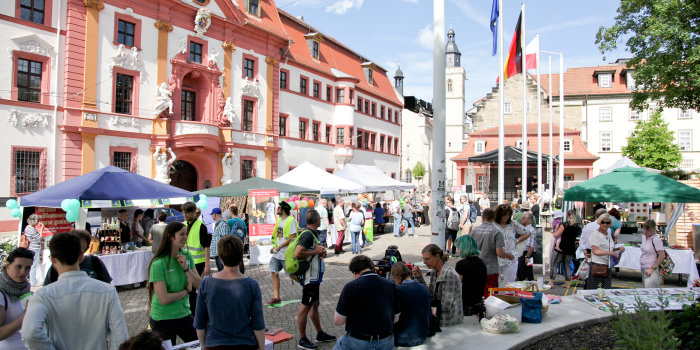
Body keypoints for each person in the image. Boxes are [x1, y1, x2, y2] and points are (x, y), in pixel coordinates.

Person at [22, 232, 128, 349]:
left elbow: (30, 333)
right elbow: (120, 336)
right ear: (81, 255)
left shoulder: (43, 295)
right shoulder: (107, 291)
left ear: (52, 259)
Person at [194, 235, 265, 350]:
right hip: (245, 343)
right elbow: (258, 323)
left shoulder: (206, 283)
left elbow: (199, 322)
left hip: (214, 344)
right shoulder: (252, 285)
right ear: (242, 255)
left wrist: (203, 346)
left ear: (220, 257)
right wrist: (262, 347)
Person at [147, 222, 202, 345]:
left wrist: (186, 269)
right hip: (162, 318)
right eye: (182, 234)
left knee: (199, 344)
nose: (185, 237)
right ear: (171, 236)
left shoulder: (187, 255)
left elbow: (199, 285)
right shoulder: (158, 263)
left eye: (186, 234)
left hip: (184, 314)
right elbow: (164, 299)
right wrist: (186, 291)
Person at [333, 255, 399, 350]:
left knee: (340, 343)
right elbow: (396, 318)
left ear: (355, 273)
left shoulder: (350, 287)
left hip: (357, 341)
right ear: (372, 268)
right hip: (385, 340)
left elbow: (338, 321)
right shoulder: (391, 285)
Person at [294, 210, 335, 349]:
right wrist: (316, 251)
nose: (321, 221)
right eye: (320, 219)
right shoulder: (307, 235)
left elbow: (311, 251)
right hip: (310, 278)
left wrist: (320, 252)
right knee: (305, 306)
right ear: (316, 220)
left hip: (315, 278)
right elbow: (298, 253)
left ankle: (319, 334)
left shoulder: (312, 233)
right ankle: (303, 339)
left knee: (314, 304)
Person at [412, 244, 463, 327]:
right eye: (423, 259)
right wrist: (420, 278)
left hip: (448, 320)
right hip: (438, 315)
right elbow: (430, 295)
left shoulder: (449, 274)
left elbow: (446, 305)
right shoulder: (434, 271)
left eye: (427, 259)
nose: (424, 262)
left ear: (437, 256)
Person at [470, 208, 514, 298]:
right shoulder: (496, 232)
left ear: (482, 217)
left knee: (477, 294)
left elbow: (468, 249)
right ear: (494, 217)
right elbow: (500, 253)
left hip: (476, 267)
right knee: (490, 297)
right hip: (491, 269)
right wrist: (508, 256)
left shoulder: (474, 231)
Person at [44, 230, 112, 285]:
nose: (76, 251)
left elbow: (106, 283)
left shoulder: (95, 262)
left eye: (81, 249)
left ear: (87, 248)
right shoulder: (56, 267)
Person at [0, 248, 33, 349]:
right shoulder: (1, 293)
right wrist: (25, 317)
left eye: (27, 268)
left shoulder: (25, 289)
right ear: (8, 266)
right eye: (18, 267)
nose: (23, 272)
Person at [391, 262, 430, 347]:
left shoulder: (397, 291)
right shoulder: (424, 288)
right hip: (422, 335)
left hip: (402, 338)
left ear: (397, 277)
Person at [182, 202, 211, 315]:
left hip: (198, 263)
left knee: (194, 289)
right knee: (189, 289)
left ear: (194, 212)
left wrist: (207, 265)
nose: (185, 215)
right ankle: (191, 311)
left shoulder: (201, 226)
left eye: (187, 213)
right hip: (186, 262)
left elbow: (206, 246)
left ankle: (194, 313)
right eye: (184, 212)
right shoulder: (184, 225)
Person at [585, 213, 624, 289]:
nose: (605, 224)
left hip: (607, 265)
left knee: (606, 291)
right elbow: (595, 251)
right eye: (603, 222)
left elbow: (608, 248)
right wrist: (611, 253)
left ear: (610, 224)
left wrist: (618, 249)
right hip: (597, 266)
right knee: (594, 290)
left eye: (607, 223)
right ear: (599, 222)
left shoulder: (608, 235)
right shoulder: (595, 234)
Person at [269, 201, 297, 305]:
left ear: (284, 209)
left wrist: (280, 247)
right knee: (273, 271)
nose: (277, 209)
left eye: (279, 208)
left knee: (291, 275)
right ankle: (276, 297)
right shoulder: (280, 221)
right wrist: (274, 247)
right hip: (277, 254)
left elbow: (293, 237)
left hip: (286, 253)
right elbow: (280, 237)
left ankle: (306, 284)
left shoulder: (291, 221)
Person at [494, 204, 527, 286]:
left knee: (509, 283)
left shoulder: (512, 224)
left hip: (511, 257)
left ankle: (509, 297)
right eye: (504, 215)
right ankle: (494, 297)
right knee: (494, 283)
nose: (507, 217)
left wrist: (518, 241)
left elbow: (527, 232)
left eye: (508, 215)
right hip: (495, 257)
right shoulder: (493, 224)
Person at [455, 235, 487, 317]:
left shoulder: (461, 264)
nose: (457, 250)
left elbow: (457, 284)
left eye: (458, 248)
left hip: (465, 302)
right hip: (478, 301)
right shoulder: (481, 262)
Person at [549, 210, 580, 287]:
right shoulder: (576, 226)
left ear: (567, 215)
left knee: (554, 263)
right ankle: (567, 283)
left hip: (561, 247)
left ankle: (551, 281)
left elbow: (556, 235)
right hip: (570, 248)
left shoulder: (564, 225)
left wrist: (553, 232)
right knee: (566, 265)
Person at [640, 219, 666, 288]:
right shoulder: (644, 237)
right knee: (645, 290)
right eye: (644, 229)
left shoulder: (656, 239)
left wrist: (652, 268)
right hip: (644, 266)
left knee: (650, 291)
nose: (645, 232)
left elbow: (662, 255)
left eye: (648, 230)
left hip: (652, 267)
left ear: (653, 230)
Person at [516, 212, 537, 281]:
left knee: (526, 274)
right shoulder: (524, 229)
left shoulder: (530, 230)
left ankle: (528, 289)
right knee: (522, 274)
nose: (521, 219)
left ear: (528, 219)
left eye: (523, 217)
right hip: (522, 253)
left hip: (526, 254)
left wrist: (527, 256)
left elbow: (531, 245)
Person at [209, 208, 231, 272]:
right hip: (218, 254)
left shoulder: (223, 224)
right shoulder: (219, 224)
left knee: (223, 273)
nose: (211, 216)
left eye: (212, 215)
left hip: (221, 255)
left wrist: (224, 254)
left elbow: (226, 239)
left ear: (215, 215)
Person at [23, 214, 42, 286]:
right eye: (37, 221)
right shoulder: (31, 229)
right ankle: (33, 281)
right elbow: (39, 238)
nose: (38, 222)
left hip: (32, 247)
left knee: (33, 264)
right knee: (34, 265)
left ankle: (33, 280)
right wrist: (41, 229)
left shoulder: (27, 228)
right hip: (35, 247)